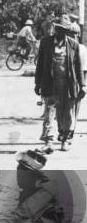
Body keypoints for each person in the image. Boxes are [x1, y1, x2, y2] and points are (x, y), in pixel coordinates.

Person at [35, 15, 85, 152]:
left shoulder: (73, 45)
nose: (61, 32)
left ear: (67, 31)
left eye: (64, 30)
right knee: (49, 113)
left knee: (67, 114)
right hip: (50, 84)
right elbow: (40, 65)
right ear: (55, 29)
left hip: (68, 85)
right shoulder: (45, 43)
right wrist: (37, 83)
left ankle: (64, 140)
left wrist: (83, 85)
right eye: (58, 29)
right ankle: (48, 142)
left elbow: (78, 67)